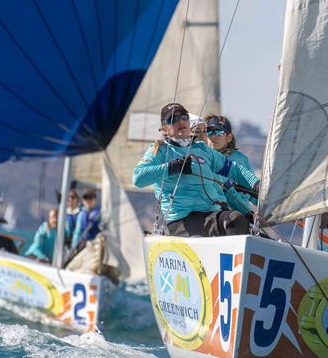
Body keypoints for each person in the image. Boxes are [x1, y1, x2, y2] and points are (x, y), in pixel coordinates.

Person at [133, 103, 260, 237]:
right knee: (235, 220)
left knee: (238, 221)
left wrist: (256, 184)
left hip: (210, 215)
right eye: (173, 119)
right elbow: (138, 178)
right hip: (180, 221)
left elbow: (233, 169)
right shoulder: (160, 150)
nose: (180, 122)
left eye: (184, 117)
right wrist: (173, 167)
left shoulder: (203, 149)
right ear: (164, 128)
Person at [204, 114, 259, 211]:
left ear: (229, 137)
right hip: (211, 213)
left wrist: (279, 212)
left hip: (240, 215)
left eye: (219, 132)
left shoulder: (240, 159)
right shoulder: (201, 157)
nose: (213, 137)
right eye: (209, 132)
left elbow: (253, 193)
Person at [65, 189, 103, 273]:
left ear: (95, 199)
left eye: (90, 198)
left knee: (93, 268)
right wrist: (73, 247)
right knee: (70, 266)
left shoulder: (101, 213)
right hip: (84, 245)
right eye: (86, 198)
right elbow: (77, 232)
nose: (88, 200)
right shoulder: (82, 214)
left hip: (96, 245)